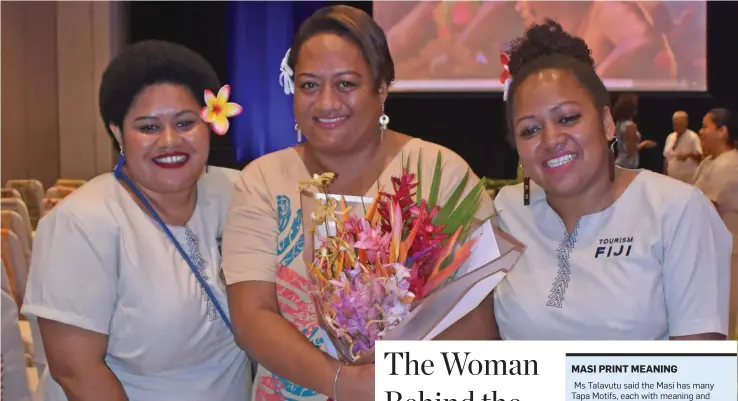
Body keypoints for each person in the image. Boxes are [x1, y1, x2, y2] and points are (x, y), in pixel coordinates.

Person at [221, 6, 496, 401]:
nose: (326, 103)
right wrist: (341, 382)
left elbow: (476, 318)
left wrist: (394, 381)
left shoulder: (439, 172)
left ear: (381, 88)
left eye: (346, 84)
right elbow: (252, 316)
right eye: (309, 85)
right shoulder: (263, 181)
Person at [21, 40, 251, 401]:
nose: (171, 141)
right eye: (148, 127)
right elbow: (75, 371)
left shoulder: (241, 192)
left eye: (186, 122)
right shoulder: (83, 222)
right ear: (117, 133)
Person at [492, 20, 731, 340]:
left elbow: (700, 377)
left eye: (567, 118)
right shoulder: (507, 210)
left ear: (607, 123)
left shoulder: (676, 210)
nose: (551, 139)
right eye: (530, 130)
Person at [693, 108, 738, 339]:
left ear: (722, 131)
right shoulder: (710, 161)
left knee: (722, 322)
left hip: (728, 255)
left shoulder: (730, 164)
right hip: (710, 253)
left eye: (705, 125)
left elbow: (702, 206)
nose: (700, 131)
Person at [611, 93, 657, 169]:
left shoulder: (619, 123)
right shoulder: (630, 126)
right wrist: (644, 144)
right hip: (627, 164)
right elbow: (630, 151)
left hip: (621, 162)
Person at [663, 110, 702, 183]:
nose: (676, 127)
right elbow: (666, 158)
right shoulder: (670, 137)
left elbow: (701, 157)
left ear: (686, 123)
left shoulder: (693, 137)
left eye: (679, 124)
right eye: (675, 124)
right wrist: (664, 175)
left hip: (688, 181)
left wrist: (689, 154)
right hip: (672, 179)